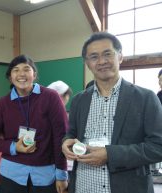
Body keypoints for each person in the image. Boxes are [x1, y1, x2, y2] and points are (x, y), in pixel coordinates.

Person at [62, 32, 162, 193]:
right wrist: (66, 142)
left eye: (107, 54)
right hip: (84, 185)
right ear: (87, 63)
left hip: (128, 187)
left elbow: (158, 147)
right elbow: (71, 133)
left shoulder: (145, 98)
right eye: (94, 57)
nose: (101, 61)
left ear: (120, 56)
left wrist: (110, 155)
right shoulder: (79, 100)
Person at [0, 55, 68, 193]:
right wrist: (14, 147)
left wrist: (61, 175)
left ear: (34, 74)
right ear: (10, 77)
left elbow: (61, 137)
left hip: (45, 175)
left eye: (26, 69)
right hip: (11, 174)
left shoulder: (51, 97)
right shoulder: (2, 104)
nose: (21, 74)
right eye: (16, 70)